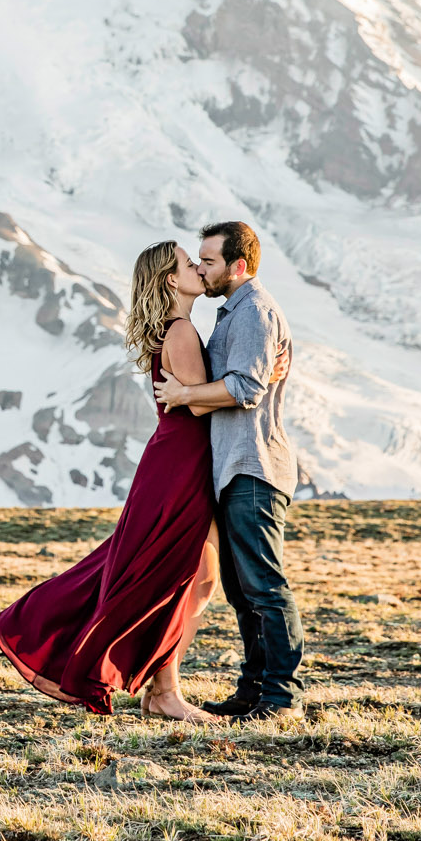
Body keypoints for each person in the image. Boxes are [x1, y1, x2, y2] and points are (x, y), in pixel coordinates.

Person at [0, 241, 225, 720]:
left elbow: (190, 397)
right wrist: (253, 386)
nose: (200, 269)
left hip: (176, 462)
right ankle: (164, 694)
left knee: (184, 575)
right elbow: (199, 406)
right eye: (189, 265)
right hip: (181, 465)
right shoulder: (180, 330)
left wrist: (193, 390)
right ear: (170, 280)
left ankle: (164, 691)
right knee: (183, 574)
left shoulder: (175, 328)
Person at [153, 220, 304, 721]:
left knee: (263, 584)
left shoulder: (254, 313)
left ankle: (281, 698)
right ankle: (255, 690)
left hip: (254, 466)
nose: (201, 268)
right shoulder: (233, 315)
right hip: (232, 467)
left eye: (210, 261)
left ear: (239, 266)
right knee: (242, 591)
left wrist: (184, 395)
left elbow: (245, 389)